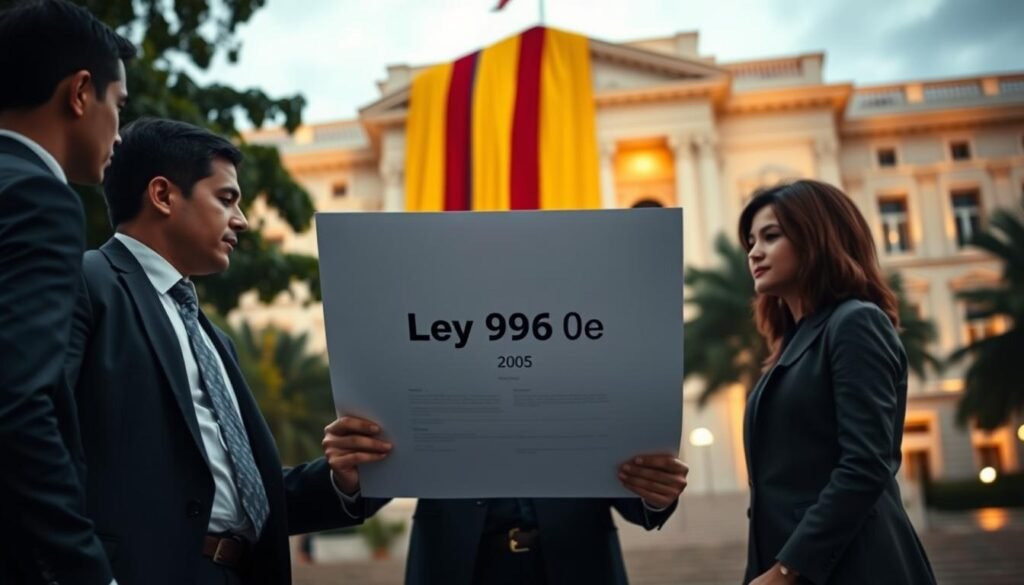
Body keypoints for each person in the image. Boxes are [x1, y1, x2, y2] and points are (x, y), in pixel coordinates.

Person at [64, 118, 361, 585]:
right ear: (163, 195)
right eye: (226, 199)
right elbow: (37, 438)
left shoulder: (211, 337)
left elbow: (239, 493)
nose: (241, 220)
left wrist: (341, 479)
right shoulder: (84, 283)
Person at [738, 180, 936, 585]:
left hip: (856, 565)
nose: (754, 252)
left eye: (771, 236)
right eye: (750, 242)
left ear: (817, 238)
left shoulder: (854, 322)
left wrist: (787, 570)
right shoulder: (790, 345)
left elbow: (866, 465)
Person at [0, 1, 135, 583]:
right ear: (81, 93)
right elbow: (17, 405)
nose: (120, 134)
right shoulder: (39, 200)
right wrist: (85, 569)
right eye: (118, 106)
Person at [322, 413, 688, 585]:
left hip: (576, 565)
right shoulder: (430, 354)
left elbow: (636, 494)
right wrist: (352, 477)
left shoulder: (587, 364)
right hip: (458, 568)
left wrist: (655, 492)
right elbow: (379, 472)